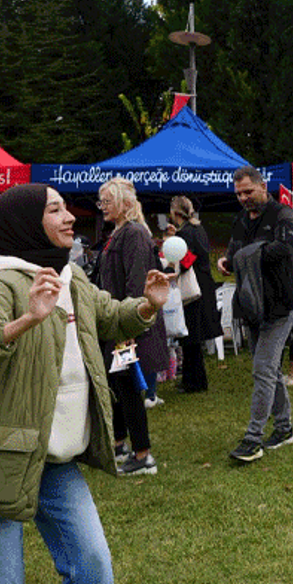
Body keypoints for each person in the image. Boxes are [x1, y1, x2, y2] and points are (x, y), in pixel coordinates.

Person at [0, 183, 168, 584]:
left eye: (65, 208)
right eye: (54, 210)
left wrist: (148, 307)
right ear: (24, 223)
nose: (69, 217)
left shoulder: (69, 276)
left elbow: (109, 313)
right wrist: (26, 320)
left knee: (93, 569)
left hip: (53, 459)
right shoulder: (2, 282)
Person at [220, 167, 293, 462]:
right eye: (239, 194)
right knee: (270, 370)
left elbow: (285, 248)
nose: (244, 198)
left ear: (262, 186)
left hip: (282, 304)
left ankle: (253, 438)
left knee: (263, 370)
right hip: (253, 305)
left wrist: (249, 255)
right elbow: (234, 254)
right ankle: (284, 428)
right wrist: (228, 262)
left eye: (248, 191)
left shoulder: (284, 215)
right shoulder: (241, 221)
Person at [96, 178, 167, 476]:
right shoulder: (118, 233)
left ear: (125, 203)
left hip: (129, 327)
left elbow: (138, 284)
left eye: (107, 201)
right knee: (117, 385)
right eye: (101, 201)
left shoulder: (134, 234)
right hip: (116, 323)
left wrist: (130, 324)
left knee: (127, 386)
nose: (102, 207)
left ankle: (142, 454)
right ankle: (119, 442)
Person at [168, 195, 223, 394]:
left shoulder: (186, 234)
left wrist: (172, 269)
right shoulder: (198, 229)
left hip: (193, 288)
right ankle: (195, 379)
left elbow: (188, 259)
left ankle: (194, 381)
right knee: (194, 337)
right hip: (204, 284)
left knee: (190, 336)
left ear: (175, 213)